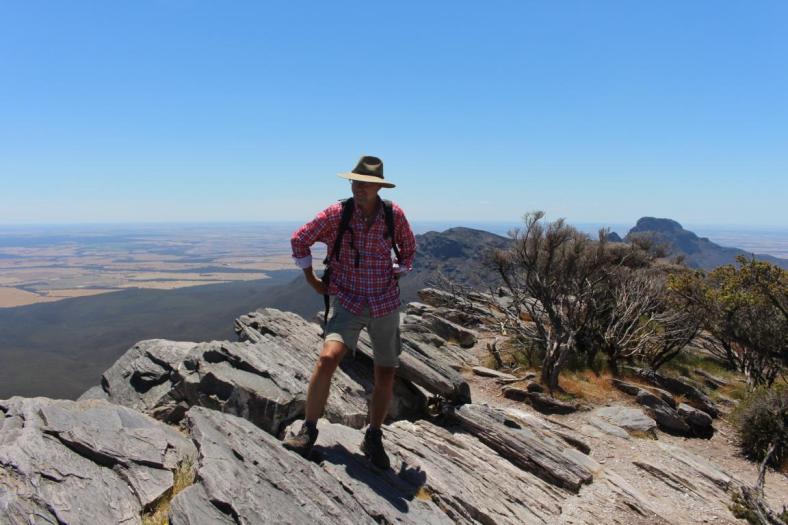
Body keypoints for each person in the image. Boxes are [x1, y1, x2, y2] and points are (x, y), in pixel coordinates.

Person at [282, 155, 416, 470]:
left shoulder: (393, 214)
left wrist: (398, 270)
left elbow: (408, 248)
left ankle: (373, 436)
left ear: (378, 187)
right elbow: (299, 240)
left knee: (385, 373)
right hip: (348, 300)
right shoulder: (337, 214)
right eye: (355, 181)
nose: (358, 187)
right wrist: (312, 279)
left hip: (384, 302)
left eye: (365, 183)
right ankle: (309, 430)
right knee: (327, 358)